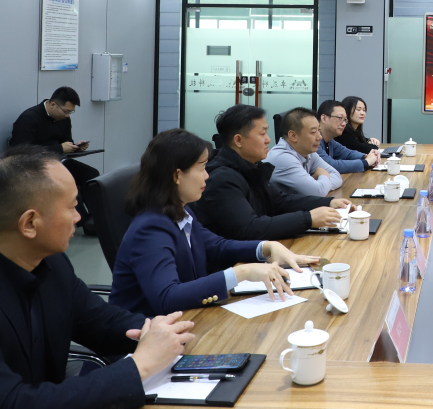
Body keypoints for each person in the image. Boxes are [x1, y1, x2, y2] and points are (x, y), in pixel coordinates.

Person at [0, 146, 195, 409]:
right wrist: (140, 365)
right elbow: (13, 403)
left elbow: (100, 321)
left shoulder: (48, 261)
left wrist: (155, 331)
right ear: (30, 223)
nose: (78, 217)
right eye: (72, 207)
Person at [110, 129, 318, 316]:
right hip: (147, 335)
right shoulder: (151, 228)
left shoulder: (180, 209)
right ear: (177, 175)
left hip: (190, 318)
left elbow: (217, 246)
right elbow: (167, 297)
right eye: (202, 168)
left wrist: (266, 247)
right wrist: (242, 272)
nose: (207, 176)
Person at [193, 105, 349, 241]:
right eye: (262, 134)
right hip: (236, 262)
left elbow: (280, 202)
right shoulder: (222, 178)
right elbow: (251, 228)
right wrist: (308, 219)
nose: (268, 140)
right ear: (238, 140)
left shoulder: (252, 167)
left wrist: (328, 203)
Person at [10, 87, 99, 235]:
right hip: (35, 166)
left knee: (91, 174)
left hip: (58, 161)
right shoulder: (29, 118)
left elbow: (66, 142)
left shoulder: (64, 119)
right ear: (53, 105)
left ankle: (97, 217)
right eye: (66, 111)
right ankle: (84, 223)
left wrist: (75, 147)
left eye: (70, 112)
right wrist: (59, 148)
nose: (67, 115)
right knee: (68, 182)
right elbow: (22, 151)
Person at [265, 107, 343, 197]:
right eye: (313, 132)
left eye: (319, 130)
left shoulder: (308, 152)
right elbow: (318, 192)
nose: (320, 137)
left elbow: (336, 176)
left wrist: (318, 184)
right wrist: (323, 175)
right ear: (293, 136)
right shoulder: (283, 158)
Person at [316, 99, 379, 173]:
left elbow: (347, 153)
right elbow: (331, 165)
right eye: (340, 118)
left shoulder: (330, 141)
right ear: (324, 118)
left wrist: (365, 156)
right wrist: (366, 162)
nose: (344, 124)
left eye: (345, 119)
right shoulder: (314, 140)